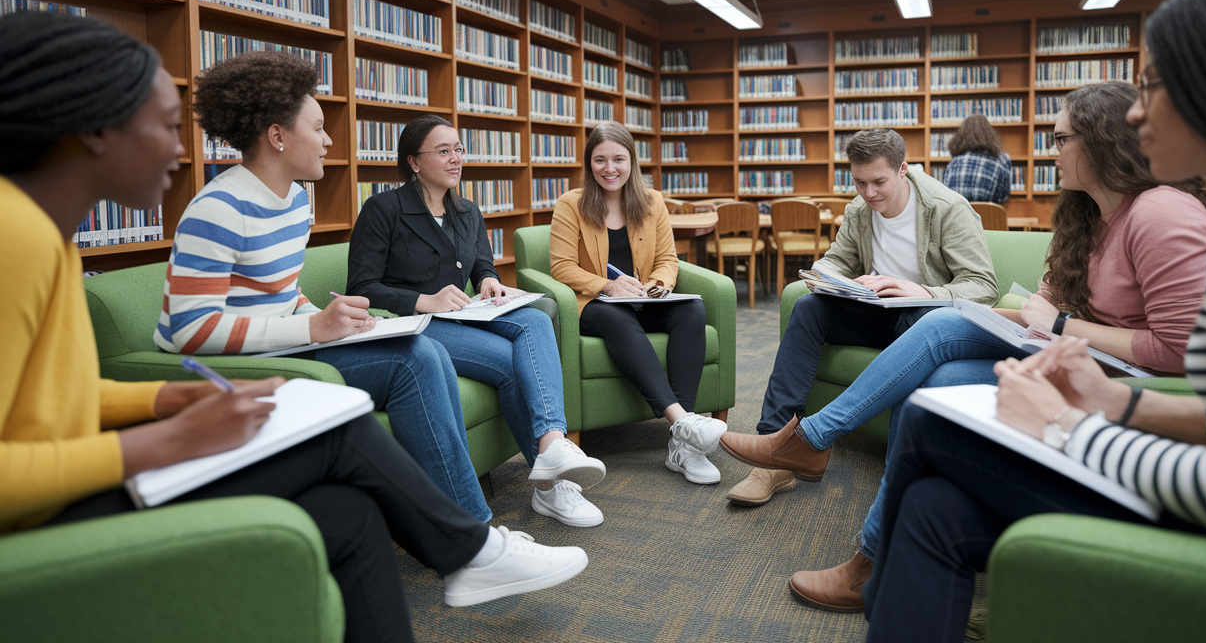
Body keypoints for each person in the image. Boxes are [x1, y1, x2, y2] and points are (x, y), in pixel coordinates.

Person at [0, 13, 588, 643]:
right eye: (167, 128)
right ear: (95, 130)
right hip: (45, 513)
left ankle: (475, 540)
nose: (180, 149)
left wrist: (175, 393)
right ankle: (471, 543)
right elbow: (186, 331)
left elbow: (50, 400)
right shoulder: (40, 235)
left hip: (104, 459)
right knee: (389, 385)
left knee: (352, 510)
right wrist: (166, 435)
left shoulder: (55, 241)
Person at [856, 0, 1206, 642]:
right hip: (1150, 431)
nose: (1137, 113)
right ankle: (869, 574)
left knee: (934, 419)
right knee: (934, 501)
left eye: (1155, 86)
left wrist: (1065, 429)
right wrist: (1114, 403)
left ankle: (843, 522)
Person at [723, 82, 1206, 611]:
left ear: (1102, 141)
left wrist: (1058, 326)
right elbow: (1045, 305)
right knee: (941, 353)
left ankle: (825, 471)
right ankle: (862, 540)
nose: (1050, 151)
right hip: (1067, 349)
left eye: (1060, 140)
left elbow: (1179, 349)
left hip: (1118, 372)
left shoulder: (1159, 212)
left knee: (938, 346)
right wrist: (999, 316)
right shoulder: (1084, 215)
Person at [154, 52, 500, 524]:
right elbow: (190, 332)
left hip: (280, 348)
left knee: (424, 347)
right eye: (317, 128)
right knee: (416, 360)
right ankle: (471, 531)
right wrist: (314, 328)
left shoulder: (296, 201)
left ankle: (462, 524)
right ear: (277, 136)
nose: (328, 140)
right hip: (225, 363)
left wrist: (336, 320)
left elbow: (283, 293)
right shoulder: (218, 209)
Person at [347, 114, 606, 527]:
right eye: (444, 151)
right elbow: (362, 285)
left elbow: (482, 264)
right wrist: (422, 300)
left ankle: (552, 443)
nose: (456, 159)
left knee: (536, 322)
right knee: (510, 363)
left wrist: (488, 281)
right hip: (416, 324)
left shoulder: (466, 209)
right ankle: (549, 487)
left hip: (466, 313)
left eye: (459, 149)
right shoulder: (384, 209)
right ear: (414, 162)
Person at [718, 128, 999, 502]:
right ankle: (775, 455)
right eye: (860, 182)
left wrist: (926, 291)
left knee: (919, 319)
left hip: (923, 322)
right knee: (808, 308)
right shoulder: (858, 208)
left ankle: (892, 468)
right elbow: (839, 258)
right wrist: (826, 276)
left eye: (879, 182)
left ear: (903, 170)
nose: (869, 194)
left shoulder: (947, 208)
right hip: (876, 313)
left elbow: (984, 286)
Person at [549, 121, 727, 483]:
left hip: (645, 300)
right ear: (589, 163)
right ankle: (682, 424)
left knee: (692, 310)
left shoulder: (651, 201)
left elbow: (667, 259)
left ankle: (684, 449)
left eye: (618, 159)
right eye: (600, 160)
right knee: (617, 320)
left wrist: (658, 285)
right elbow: (561, 266)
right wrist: (608, 286)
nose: (609, 169)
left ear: (632, 161)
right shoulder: (571, 203)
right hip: (597, 306)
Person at [942, 113, 1012, 204]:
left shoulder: (953, 164)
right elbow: (1003, 198)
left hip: (960, 217)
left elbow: (947, 197)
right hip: (988, 217)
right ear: (990, 135)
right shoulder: (1000, 161)